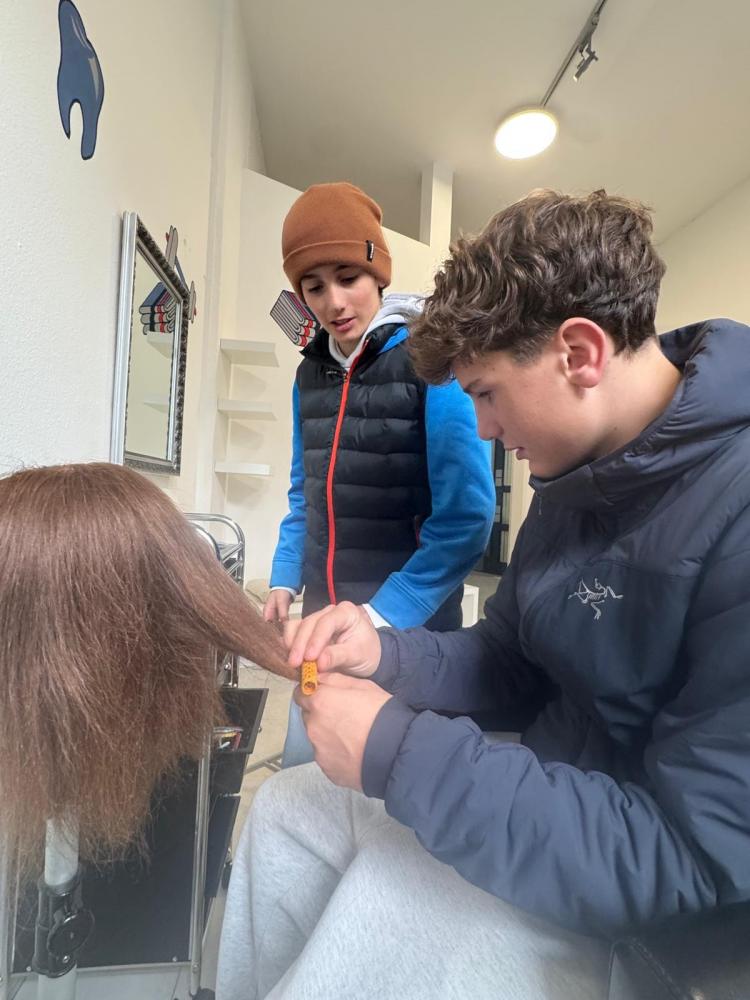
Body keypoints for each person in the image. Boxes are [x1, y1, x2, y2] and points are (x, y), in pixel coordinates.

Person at [216, 189, 750, 1000]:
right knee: (287, 814)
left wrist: (398, 752)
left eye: (487, 393)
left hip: (634, 901)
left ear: (580, 353)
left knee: (371, 911)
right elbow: (509, 657)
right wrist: (384, 652)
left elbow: (692, 860)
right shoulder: (574, 474)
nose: (485, 430)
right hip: (542, 786)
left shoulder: (733, 510)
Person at [263, 181, 495, 764]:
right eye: (314, 287)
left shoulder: (431, 363)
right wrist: (285, 576)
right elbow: (304, 491)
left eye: (349, 278)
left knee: (389, 779)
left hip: (405, 632)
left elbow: (467, 517)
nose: (334, 302)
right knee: (306, 765)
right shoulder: (309, 376)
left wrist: (383, 613)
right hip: (323, 618)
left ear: (378, 274)